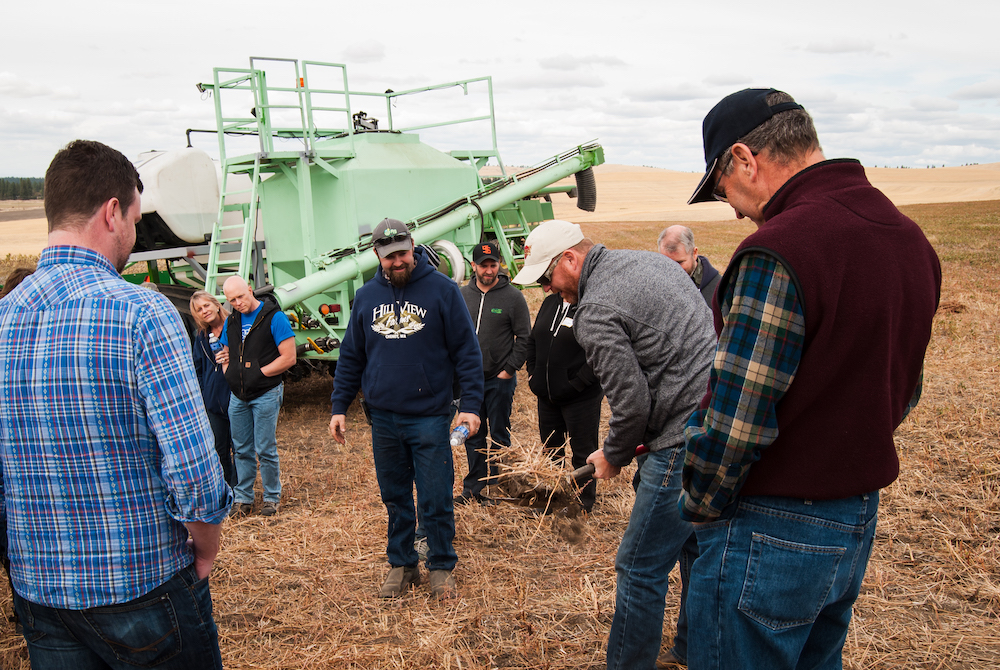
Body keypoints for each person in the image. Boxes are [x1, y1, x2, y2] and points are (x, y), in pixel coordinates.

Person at [682, 88, 941, 670]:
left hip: (768, 527)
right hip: (854, 520)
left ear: (745, 159)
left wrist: (697, 504)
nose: (733, 207)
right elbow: (901, 389)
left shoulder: (778, 249)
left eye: (723, 187)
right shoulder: (909, 239)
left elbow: (734, 424)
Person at [0, 139, 232, 668]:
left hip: (40, 592)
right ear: (112, 212)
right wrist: (207, 547)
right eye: (132, 215)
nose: (132, 230)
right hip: (142, 582)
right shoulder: (141, 313)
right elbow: (194, 467)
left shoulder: (4, 317)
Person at [512, 219, 716, 670]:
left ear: (570, 259)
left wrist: (615, 453)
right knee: (695, 550)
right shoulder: (648, 262)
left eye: (548, 278)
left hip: (678, 440)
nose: (548, 290)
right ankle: (693, 649)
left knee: (639, 566)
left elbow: (631, 402)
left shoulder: (596, 310)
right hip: (715, 424)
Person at [329, 218, 483, 600]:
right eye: (387, 257)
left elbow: (467, 352)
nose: (396, 262)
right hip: (382, 418)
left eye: (401, 254)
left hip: (430, 416)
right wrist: (339, 406)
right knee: (395, 495)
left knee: (435, 495)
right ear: (377, 256)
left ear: (413, 247)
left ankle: (441, 567)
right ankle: (402, 564)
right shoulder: (365, 297)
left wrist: (472, 406)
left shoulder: (443, 291)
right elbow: (351, 355)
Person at [216, 275, 296, 518]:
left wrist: (259, 373)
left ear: (250, 290)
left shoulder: (274, 317)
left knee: (265, 448)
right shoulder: (231, 322)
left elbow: (289, 357)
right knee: (240, 449)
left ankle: (272, 497)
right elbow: (226, 351)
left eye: (241, 296)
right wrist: (228, 372)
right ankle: (243, 497)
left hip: (265, 393)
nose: (238, 303)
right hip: (238, 395)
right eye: (232, 300)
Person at [457, 241, 530, 504]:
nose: (489, 270)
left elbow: (524, 337)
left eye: (493, 265)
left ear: (500, 265)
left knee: (499, 433)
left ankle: (499, 486)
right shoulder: (462, 296)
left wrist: (509, 370)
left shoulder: (513, 297)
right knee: (472, 434)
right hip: (470, 381)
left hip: (499, 379)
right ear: (473, 266)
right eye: (484, 265)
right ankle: (473, 489)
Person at [524, 287, 603, 512]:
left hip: (581, 398)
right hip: (547, 396)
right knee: (551, 450)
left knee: (583, 451)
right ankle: (553, 498)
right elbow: (533, 340)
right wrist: (533, 375)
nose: (547, 284)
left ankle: (581, 502)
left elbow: (598, 353)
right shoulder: (550, 303)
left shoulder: (590, 306)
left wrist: (577, 383)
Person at [191, 290, 237, 485]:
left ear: (217, 305)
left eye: (206, 305)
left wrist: (231, 358)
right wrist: (204, 395)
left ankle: (241, 493)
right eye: (199, 309)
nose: (204, 311)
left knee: (240, 450)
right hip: (213, 404)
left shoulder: (235, 327)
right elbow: (198, 369)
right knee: (219, 450)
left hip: (236, 399)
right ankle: (227, 489)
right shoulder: (201, 337)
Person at [657, 225, 720, 306]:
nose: (673, 269)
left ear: (694, 253)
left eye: (679, 262)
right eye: (667, 262)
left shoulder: (719, 289)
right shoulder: (654, 284)